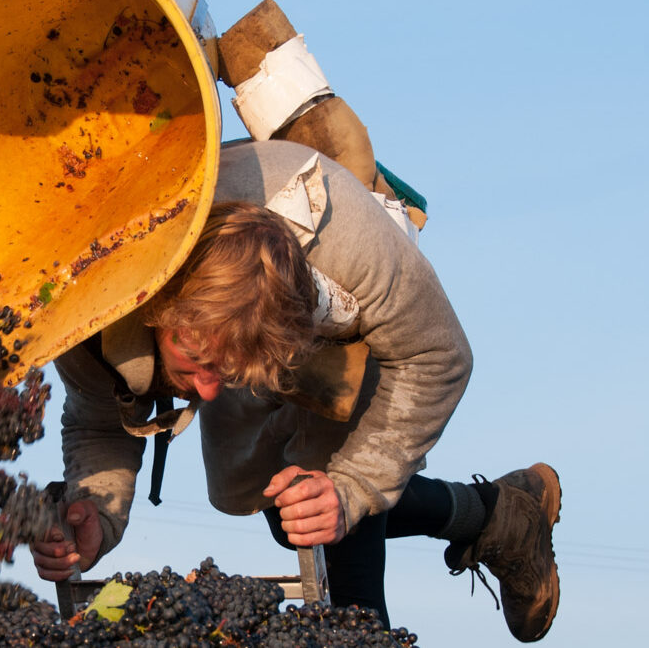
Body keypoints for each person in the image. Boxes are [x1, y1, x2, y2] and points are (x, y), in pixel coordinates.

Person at [31, 139, 561, 642]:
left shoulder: (348, 244)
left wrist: (352, 488)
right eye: (195, 364)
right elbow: (100, 415)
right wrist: (97, 513)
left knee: (331, 519)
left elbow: (440, 357)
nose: (207, 393)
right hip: (213, 305)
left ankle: (365, 632)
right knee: (289, 515)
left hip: (328, 319)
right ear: (159, 312)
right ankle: (494, 514)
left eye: (222, 371)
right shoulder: (94, 300)